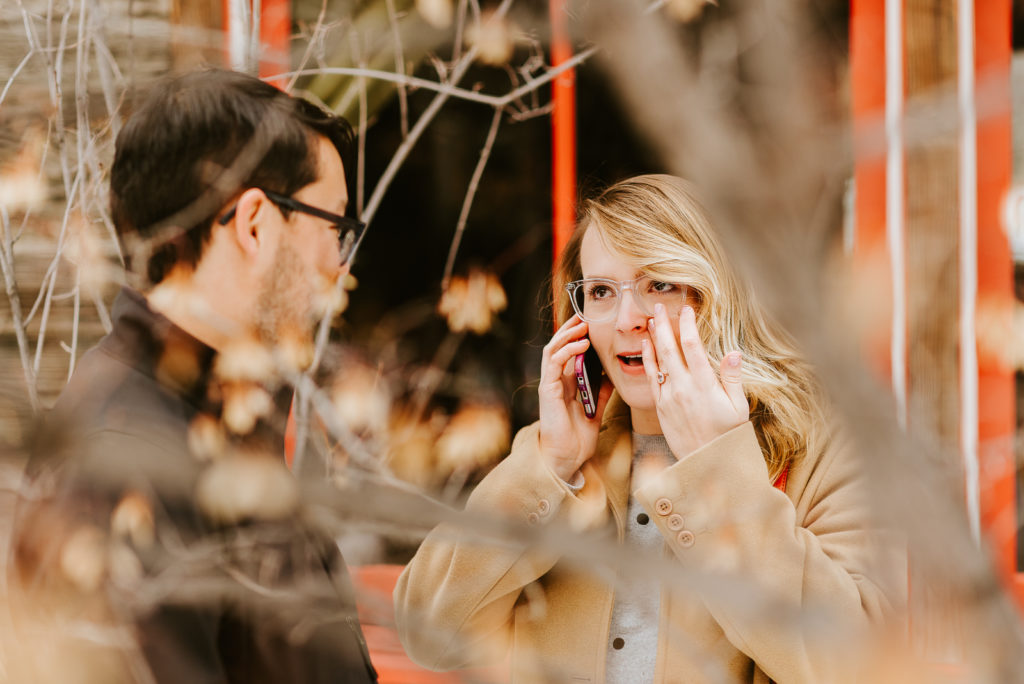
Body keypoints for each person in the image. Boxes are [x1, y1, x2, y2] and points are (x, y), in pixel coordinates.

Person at [393, 174, 905, 683]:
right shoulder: (558, 457)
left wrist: (718, 465)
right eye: (600, 291)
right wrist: (548, 470)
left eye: (658, 284)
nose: (626, 319)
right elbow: (427, 635)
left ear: (718, 296)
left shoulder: (821, 449)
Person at [10, 69, 378, 683]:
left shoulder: (206, 419)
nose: (338, 266)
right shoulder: (127, 463)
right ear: (256, 224)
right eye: (333, 227)